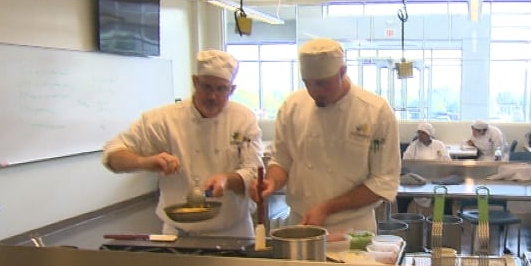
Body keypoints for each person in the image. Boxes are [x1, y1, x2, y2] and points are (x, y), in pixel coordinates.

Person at [103, 50, 263, 237]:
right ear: (195, 82)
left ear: (232, 90)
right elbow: (112, 154)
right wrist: (145, 162)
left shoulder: (243, 118)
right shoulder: (163, 120)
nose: (212, 96)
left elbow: (254, 171)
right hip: (178, 234)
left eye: (221, 89)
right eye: (207, 87)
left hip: (234, 232)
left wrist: (227, 179)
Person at [253, 38, 400, 233]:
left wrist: (327, 208)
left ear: (342, 72)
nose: (315, 92)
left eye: (322, 84)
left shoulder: (375, 111)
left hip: (353, 230)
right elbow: (282, 160)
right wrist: (271, 182)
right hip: (301, 224)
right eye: (308, 84)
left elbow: (384, 181)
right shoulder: (292, 107)